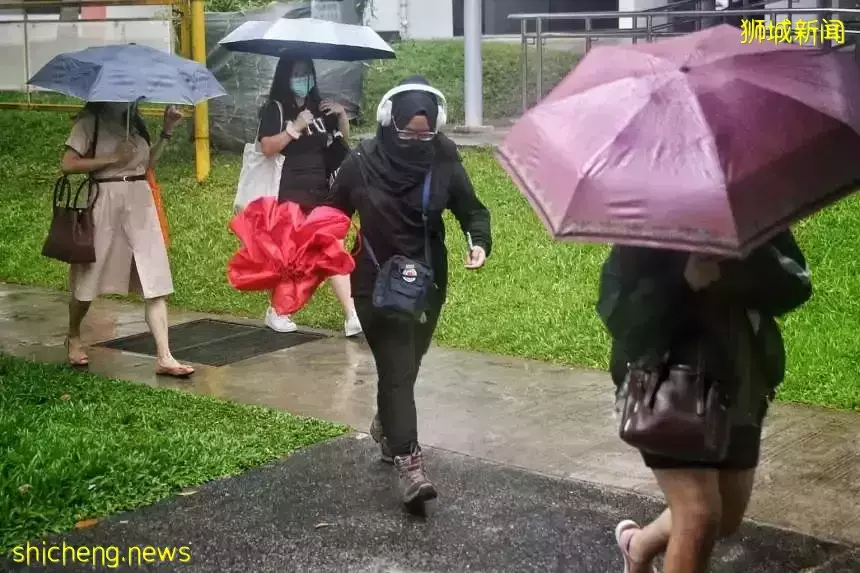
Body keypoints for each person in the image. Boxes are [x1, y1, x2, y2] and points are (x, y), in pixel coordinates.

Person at [597, 231, 812, 573]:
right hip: (668, 389)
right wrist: (684, 282)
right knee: (698, 514)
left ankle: (637, 546)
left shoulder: (748, 212)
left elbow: (797, 284)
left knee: (725, 516)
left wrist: (740, 264)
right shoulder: (647, 223)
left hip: (741, 385)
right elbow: (620, 316)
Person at [330, 75, 492, 508]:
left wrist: (479, 243)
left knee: (406, 365)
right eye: (407, 132)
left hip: (426, 284)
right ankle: (410, 463)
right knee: (398, 366)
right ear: (389, 122)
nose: (417, 141)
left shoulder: (443, 160)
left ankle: (388, 425)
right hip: (373, 283)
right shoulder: (361, 161)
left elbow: (472, 211)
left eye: (426, 133)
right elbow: (330, 214)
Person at [61, 102, 194, 378]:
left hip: (140, 202)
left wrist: (166, 132)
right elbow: (68, 163)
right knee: (89, 278)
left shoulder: (136, 124)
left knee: (154, 278)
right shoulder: (90, 122)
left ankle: (165, 356)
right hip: (104, 200)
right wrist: (111, 159)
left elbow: (148, 165)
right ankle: (73, 335)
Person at [257, 57, 361, 337]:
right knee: (293, 256)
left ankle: (352, 315)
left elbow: (340, 143)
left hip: (320, 192)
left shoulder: (319, 107)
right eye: (297, 73)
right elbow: (266, 147)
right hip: (288, 193)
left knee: (332, 248)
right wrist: (294, 128)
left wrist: (340, 116)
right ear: (285, 77)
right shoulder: (276, 109)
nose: (303, 78)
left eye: (307, 73)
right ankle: (277, 311)